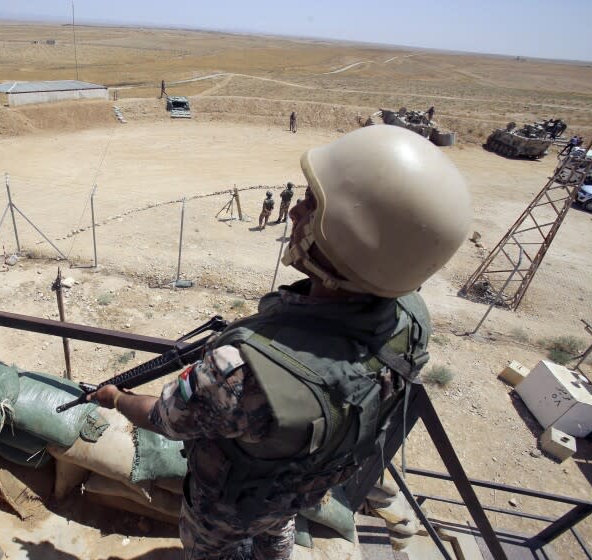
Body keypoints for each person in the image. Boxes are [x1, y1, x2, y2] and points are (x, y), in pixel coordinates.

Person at [87, 125, 472, 560]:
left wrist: (116, 398)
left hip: (230, 507)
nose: (295, 214)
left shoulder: (242, 371)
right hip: (302, 487)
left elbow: (167, 419)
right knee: (278, 532)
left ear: (346, 236)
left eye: (311, 205)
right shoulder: (412, 318)